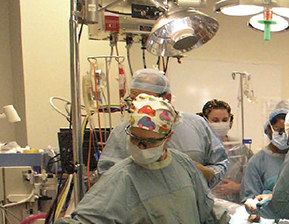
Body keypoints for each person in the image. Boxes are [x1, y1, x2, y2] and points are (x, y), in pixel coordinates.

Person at [34, 95, 264, 224]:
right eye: (135, 139)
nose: (141, 147)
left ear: (168, 137)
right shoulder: (123, 177)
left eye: (150, 142)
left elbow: (208, 211)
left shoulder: (183, 164)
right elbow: (89, 220)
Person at [97, 69, 228, 188]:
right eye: (133, 100)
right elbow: (106, 176)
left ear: (167, 98)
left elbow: (219, 163)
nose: (137, 106)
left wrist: (206, 173)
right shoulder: (122, 132)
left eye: (146, 101)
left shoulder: (197, 125)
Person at [201, 99, 254, 203]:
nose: (221, 124)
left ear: (230, 121)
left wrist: (237, 187)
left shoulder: (240, 149)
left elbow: (255, 179)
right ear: (205, 121)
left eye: (224, 120)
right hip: (209, 207)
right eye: (215, 120)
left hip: (237, 207)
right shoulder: (200, 148)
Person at [241, 108, 289, 200]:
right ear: (269, 129)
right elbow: (251, 199)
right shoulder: (257, 162)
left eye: (287, 131)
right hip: (267, 213)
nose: (284, 135)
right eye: (279, 131)